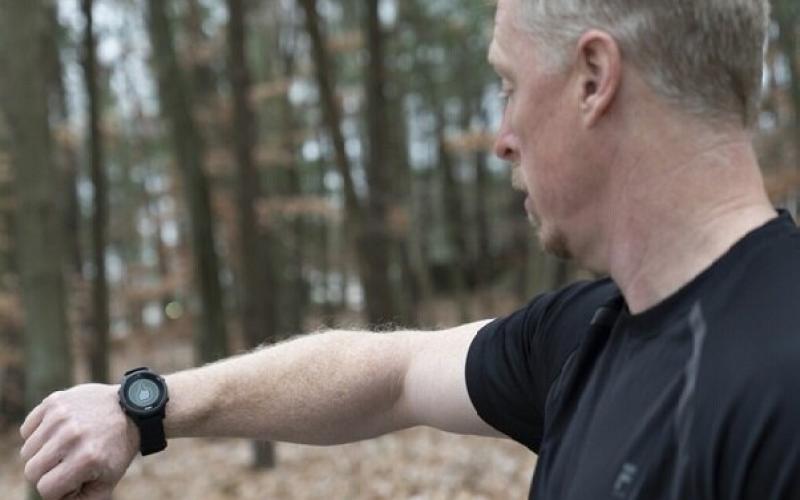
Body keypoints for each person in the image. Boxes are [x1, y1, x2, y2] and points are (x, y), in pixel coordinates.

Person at [19, 0, 800, 498]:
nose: (502, 138)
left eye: (508, 85)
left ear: (594, 78)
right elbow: (391, 373)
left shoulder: (778, 385)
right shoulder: (585, 335)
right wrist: (140, 410)